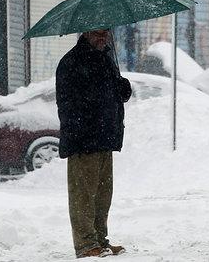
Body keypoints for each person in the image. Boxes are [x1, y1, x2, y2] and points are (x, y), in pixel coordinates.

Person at [56, 29, 132, 258]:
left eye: (105, 34)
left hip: (105, 137)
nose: (103, 38)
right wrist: (85, 122)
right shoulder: (72, 61)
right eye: (98, 34)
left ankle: (100, 239)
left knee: (102, 194)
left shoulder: (105, 59)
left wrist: (122, 87)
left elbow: (112, 93)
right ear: (86, 33)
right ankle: (86, 244)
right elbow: (69, 102)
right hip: (84, 140)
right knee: (83, 195)